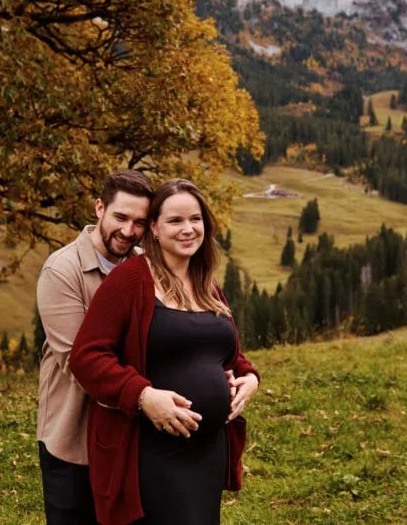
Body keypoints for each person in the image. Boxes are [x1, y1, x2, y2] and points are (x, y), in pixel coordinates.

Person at [69, 179, 260, 525]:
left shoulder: (207, 284)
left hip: (207, 453)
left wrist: (249, 377)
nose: (188, 229)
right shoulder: (131, 280)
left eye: (195, 219)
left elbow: (225, 353)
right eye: (175, 221)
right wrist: (142, 395)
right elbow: (86, 356)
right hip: (152, 452)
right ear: (154, 229)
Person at [37, 170, 154, 525]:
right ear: (99, 208)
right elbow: (80, 365)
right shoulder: (62, 270)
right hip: (75, 439)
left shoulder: (146, 265)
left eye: (140, 222)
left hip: (131, 436)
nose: (129, 231)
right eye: (120, 217)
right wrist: (146, 395)